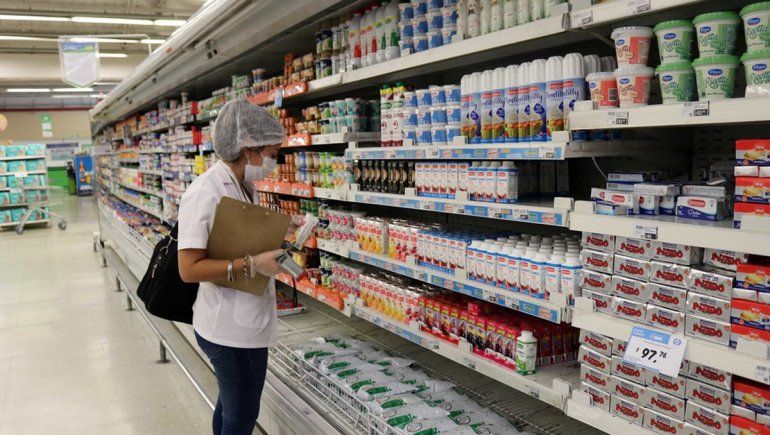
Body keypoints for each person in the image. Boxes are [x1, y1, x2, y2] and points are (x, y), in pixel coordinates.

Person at [177, 99, 284, 435]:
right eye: (272, 153)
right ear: (249, 148)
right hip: (227, 330)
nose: (273, 162)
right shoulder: (205, 191)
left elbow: (235, 243)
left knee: (230, 407)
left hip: (243, 322)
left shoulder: (244, 185)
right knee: (241, 415)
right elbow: (188, 269)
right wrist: (253, 263)